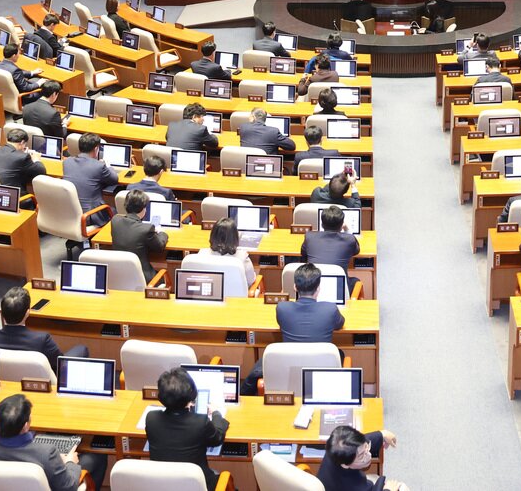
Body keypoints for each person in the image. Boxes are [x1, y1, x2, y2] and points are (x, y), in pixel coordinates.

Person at [243, 263, 345, 395]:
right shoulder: (330, 309)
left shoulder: (282, 308)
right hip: (322, 372)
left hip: (288, 370)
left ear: (295, 287)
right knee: (339, 353)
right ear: (318, 289)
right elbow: (340, 323)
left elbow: (282, 324)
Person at [0, 393, 105, 491]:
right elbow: (68, 486)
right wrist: (70, 462)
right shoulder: (45, 453)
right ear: (26, 425)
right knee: (97, 457)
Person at [145, 366, 230, 488]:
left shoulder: (151, 418)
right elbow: (218, 438)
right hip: (197, 484)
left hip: (162, 484)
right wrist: (216, 414)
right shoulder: (200, 422)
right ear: (191, 397)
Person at [0, 286, 88, 367]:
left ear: (1, 313)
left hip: (7, 381)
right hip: (42, 381)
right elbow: (60, 363)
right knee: (82, 349)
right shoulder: (42, 340)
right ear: (28, 313)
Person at [318, 425, 405, 491]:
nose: (369, 455)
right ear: (345, 465)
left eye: (367, 447)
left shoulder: (336, 448)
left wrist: (382, 435)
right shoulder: (350, 486)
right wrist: (388, 490)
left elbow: (358, 444)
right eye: (361, 456)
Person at [63, 133, 119, 229]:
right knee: (116, 212)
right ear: (96, 149)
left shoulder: (67, 162)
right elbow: (114, 179)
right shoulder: (98, 166)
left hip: (69, 212)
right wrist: (108, 166)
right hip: (90, 215)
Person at [111, 189, 168, 280]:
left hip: (119, 274)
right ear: (143, 209)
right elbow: (160, 246)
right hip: (142, 276)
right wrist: (162, 232)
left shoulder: (115, 220)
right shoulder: (146, 229)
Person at [0, 127, 47, 196]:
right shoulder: (23, 157)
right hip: (14, 197)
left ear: (7, 139)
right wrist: (36, 159)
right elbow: (41, 171)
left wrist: (21, 153)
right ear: (22, 142)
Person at [301, 205, 361, 269]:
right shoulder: (349, 239)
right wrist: (347, 229)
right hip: (339, 278)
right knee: (355, 279)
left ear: (322, 224)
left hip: (315, 278)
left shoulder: (309, 237)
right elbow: (356, 251)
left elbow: (303, 253)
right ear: (342, 225)